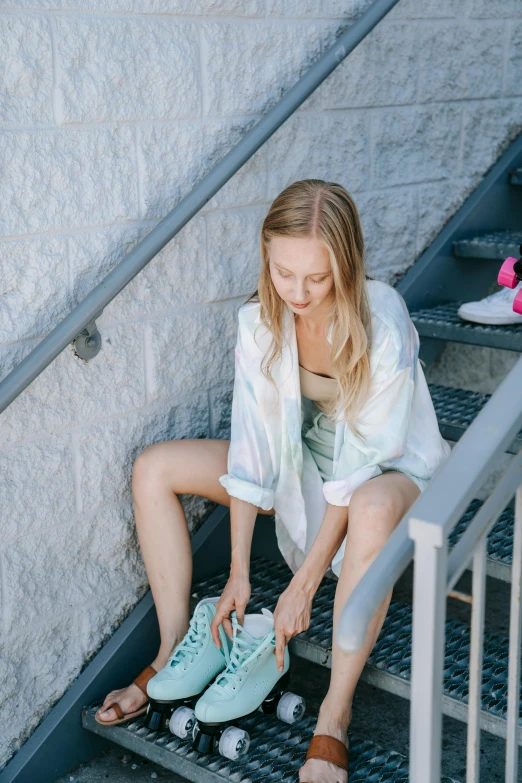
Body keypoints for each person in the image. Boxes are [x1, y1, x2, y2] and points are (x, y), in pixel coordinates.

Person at [95, 179, 450, 783]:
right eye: (285, 273)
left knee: (365, 506)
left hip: (385, 476)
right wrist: (238, 572)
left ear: (347, 262)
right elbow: (254, 455)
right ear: (267, 256)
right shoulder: (259, 320)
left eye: (317, 277)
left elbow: (358, 469)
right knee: (154, 467)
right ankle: (175, 649)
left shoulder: (381, 319)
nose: (299, 292)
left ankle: (333, 717)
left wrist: (304, 584)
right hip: (300, 468)